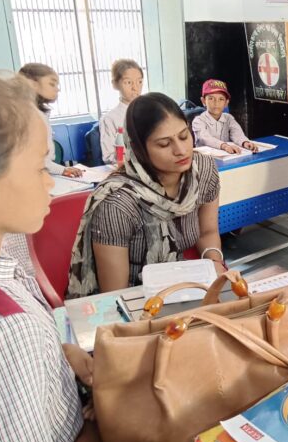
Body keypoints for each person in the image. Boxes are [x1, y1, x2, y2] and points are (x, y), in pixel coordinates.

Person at [0, 71, 104, 442]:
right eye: (40, 166)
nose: (49, 182)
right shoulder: (6, 328)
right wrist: (96, 437)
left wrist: (57, 353)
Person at [67, 92, 224, 297]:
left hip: (182, 286)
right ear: (139, 149)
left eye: (184, 136)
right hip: (136, 299)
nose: (181, 150)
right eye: (164, 144)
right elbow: (116, 295)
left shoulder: (202, 170)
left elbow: (207, 232)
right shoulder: (118, 204)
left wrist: (213, 264)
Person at [19, 63, 83, 178]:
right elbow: (35, 160)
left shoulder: (36, 113)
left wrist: (63, 169)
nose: (57, 89)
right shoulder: (30, 116)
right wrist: (62, 170)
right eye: (52, 83)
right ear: (32, 84)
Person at [192, 79, 257, 154]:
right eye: (211, 98)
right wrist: (224, 146)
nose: (216, 103)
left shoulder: (228, 118)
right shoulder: (198, 121)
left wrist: (245, 142)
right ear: (203, 101)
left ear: (226, 103)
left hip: (226, 158)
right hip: (205, 159)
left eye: (221, 99)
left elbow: (237, 133)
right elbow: (205, 138)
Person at [99, 59, 144, 164]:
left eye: (140, 81)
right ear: (115, 84)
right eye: (128, 82)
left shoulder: (151, 111)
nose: (135, 88)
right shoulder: (110, 119)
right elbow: (108, 157)